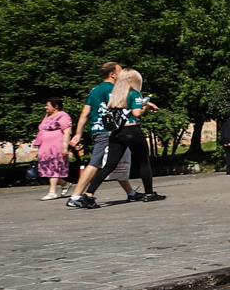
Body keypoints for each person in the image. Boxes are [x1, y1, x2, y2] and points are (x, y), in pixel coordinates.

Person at [83, 65, 162, 202]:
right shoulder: (134, 93)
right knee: (143, 162)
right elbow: (136, 112)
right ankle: (149, 194)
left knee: (109, 165)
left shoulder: (115, 95)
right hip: (132, 131)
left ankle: (89, 193)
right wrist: (145, 108)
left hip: (116, 133)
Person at [66, 63, 121, 209]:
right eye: (120, 71)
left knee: (112, 161)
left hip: (95, 129)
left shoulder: (94, 90)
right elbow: (119, 107)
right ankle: (75, 197)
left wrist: (78, 133)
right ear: (113, 74)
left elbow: (84, 114)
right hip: (106, 131)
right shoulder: (111, 89)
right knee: (95, 162)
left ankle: (131, 192)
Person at [32, 98, 73, 200]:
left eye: (48, 105)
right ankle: (65, 184)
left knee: (54, 166)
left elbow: (67, 132)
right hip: (45, 145)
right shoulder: (47, 116)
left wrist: (64, 147)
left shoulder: (63, 116)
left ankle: (52, 192)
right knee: (46, 167)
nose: (45, 107)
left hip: (56, 145)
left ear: (56, 106)